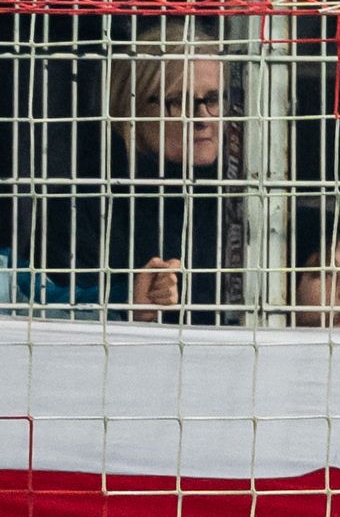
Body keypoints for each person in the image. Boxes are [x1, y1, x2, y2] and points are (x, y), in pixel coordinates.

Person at [20, 40, 236, 321]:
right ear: (130, 109)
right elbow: (50, 318)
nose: (202, 117)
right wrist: (125, 303)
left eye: (213, 99)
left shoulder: (240, 194)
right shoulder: (81, 205)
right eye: (179, 102)